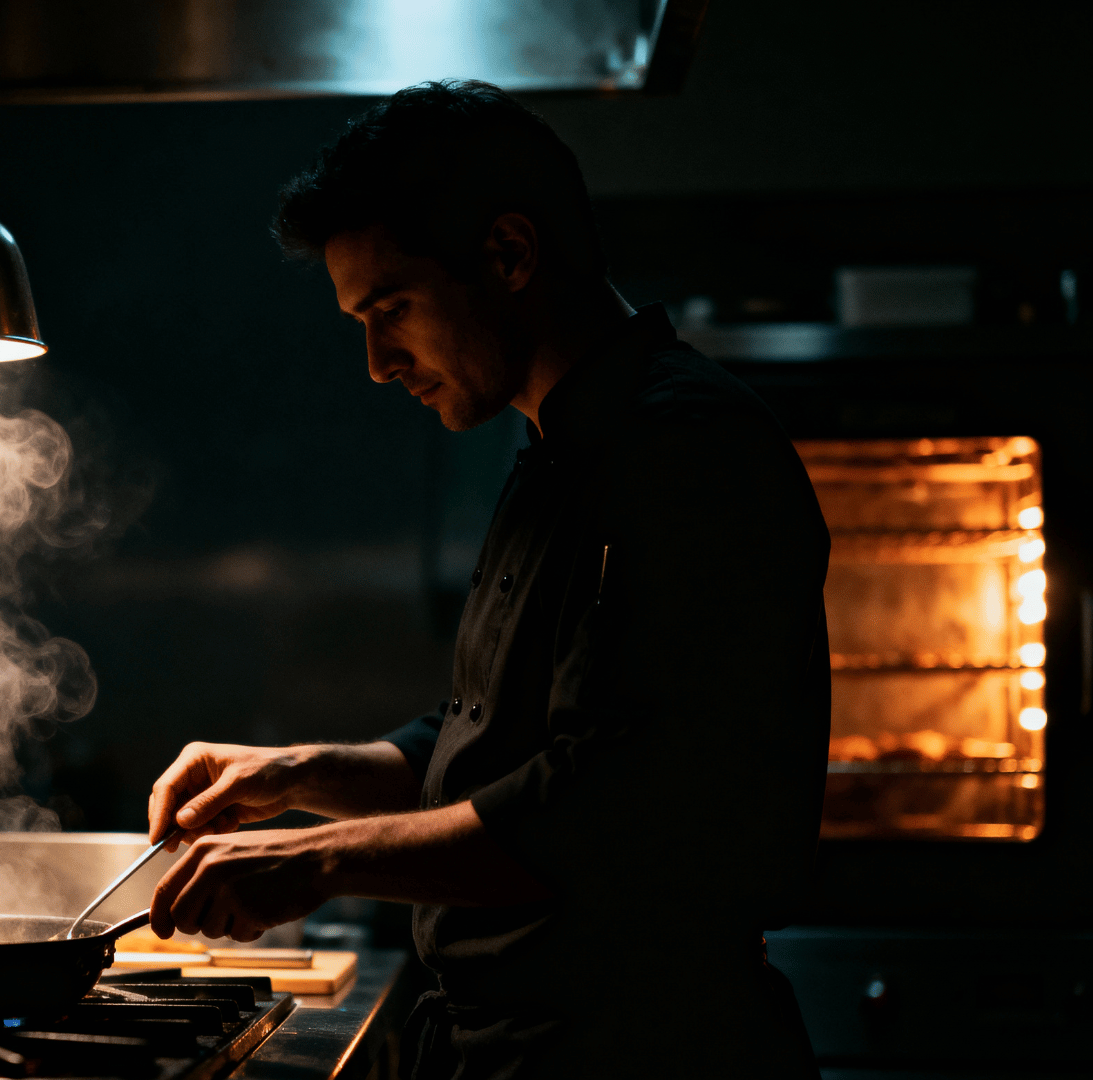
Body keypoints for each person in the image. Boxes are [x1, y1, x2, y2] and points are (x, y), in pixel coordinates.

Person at [145, 80, 831, 1078]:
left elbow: (616, 806)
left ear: (508, 255)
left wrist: (317, 861)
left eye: (391, 308)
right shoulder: (556, 450)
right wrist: (295, 776)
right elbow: (500, 746)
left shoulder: (685, 447)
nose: (377, 362)